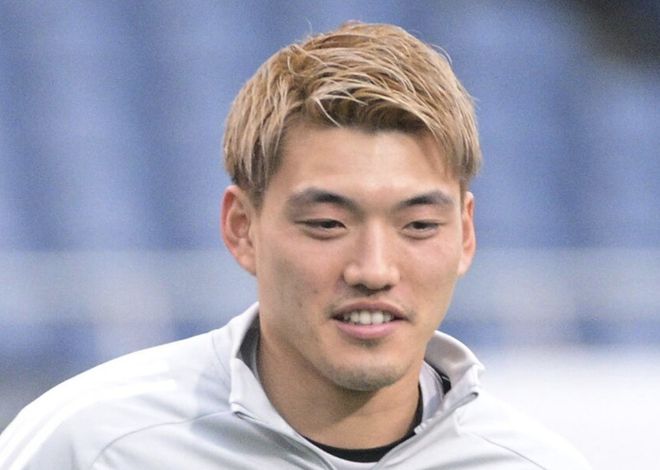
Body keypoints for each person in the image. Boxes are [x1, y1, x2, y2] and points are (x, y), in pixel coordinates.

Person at [0, 22, 590, 469]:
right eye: (328, 224)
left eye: (418, 226)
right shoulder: (91, 445)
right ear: (241, 228)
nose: (374, 270)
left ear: (466, 234)